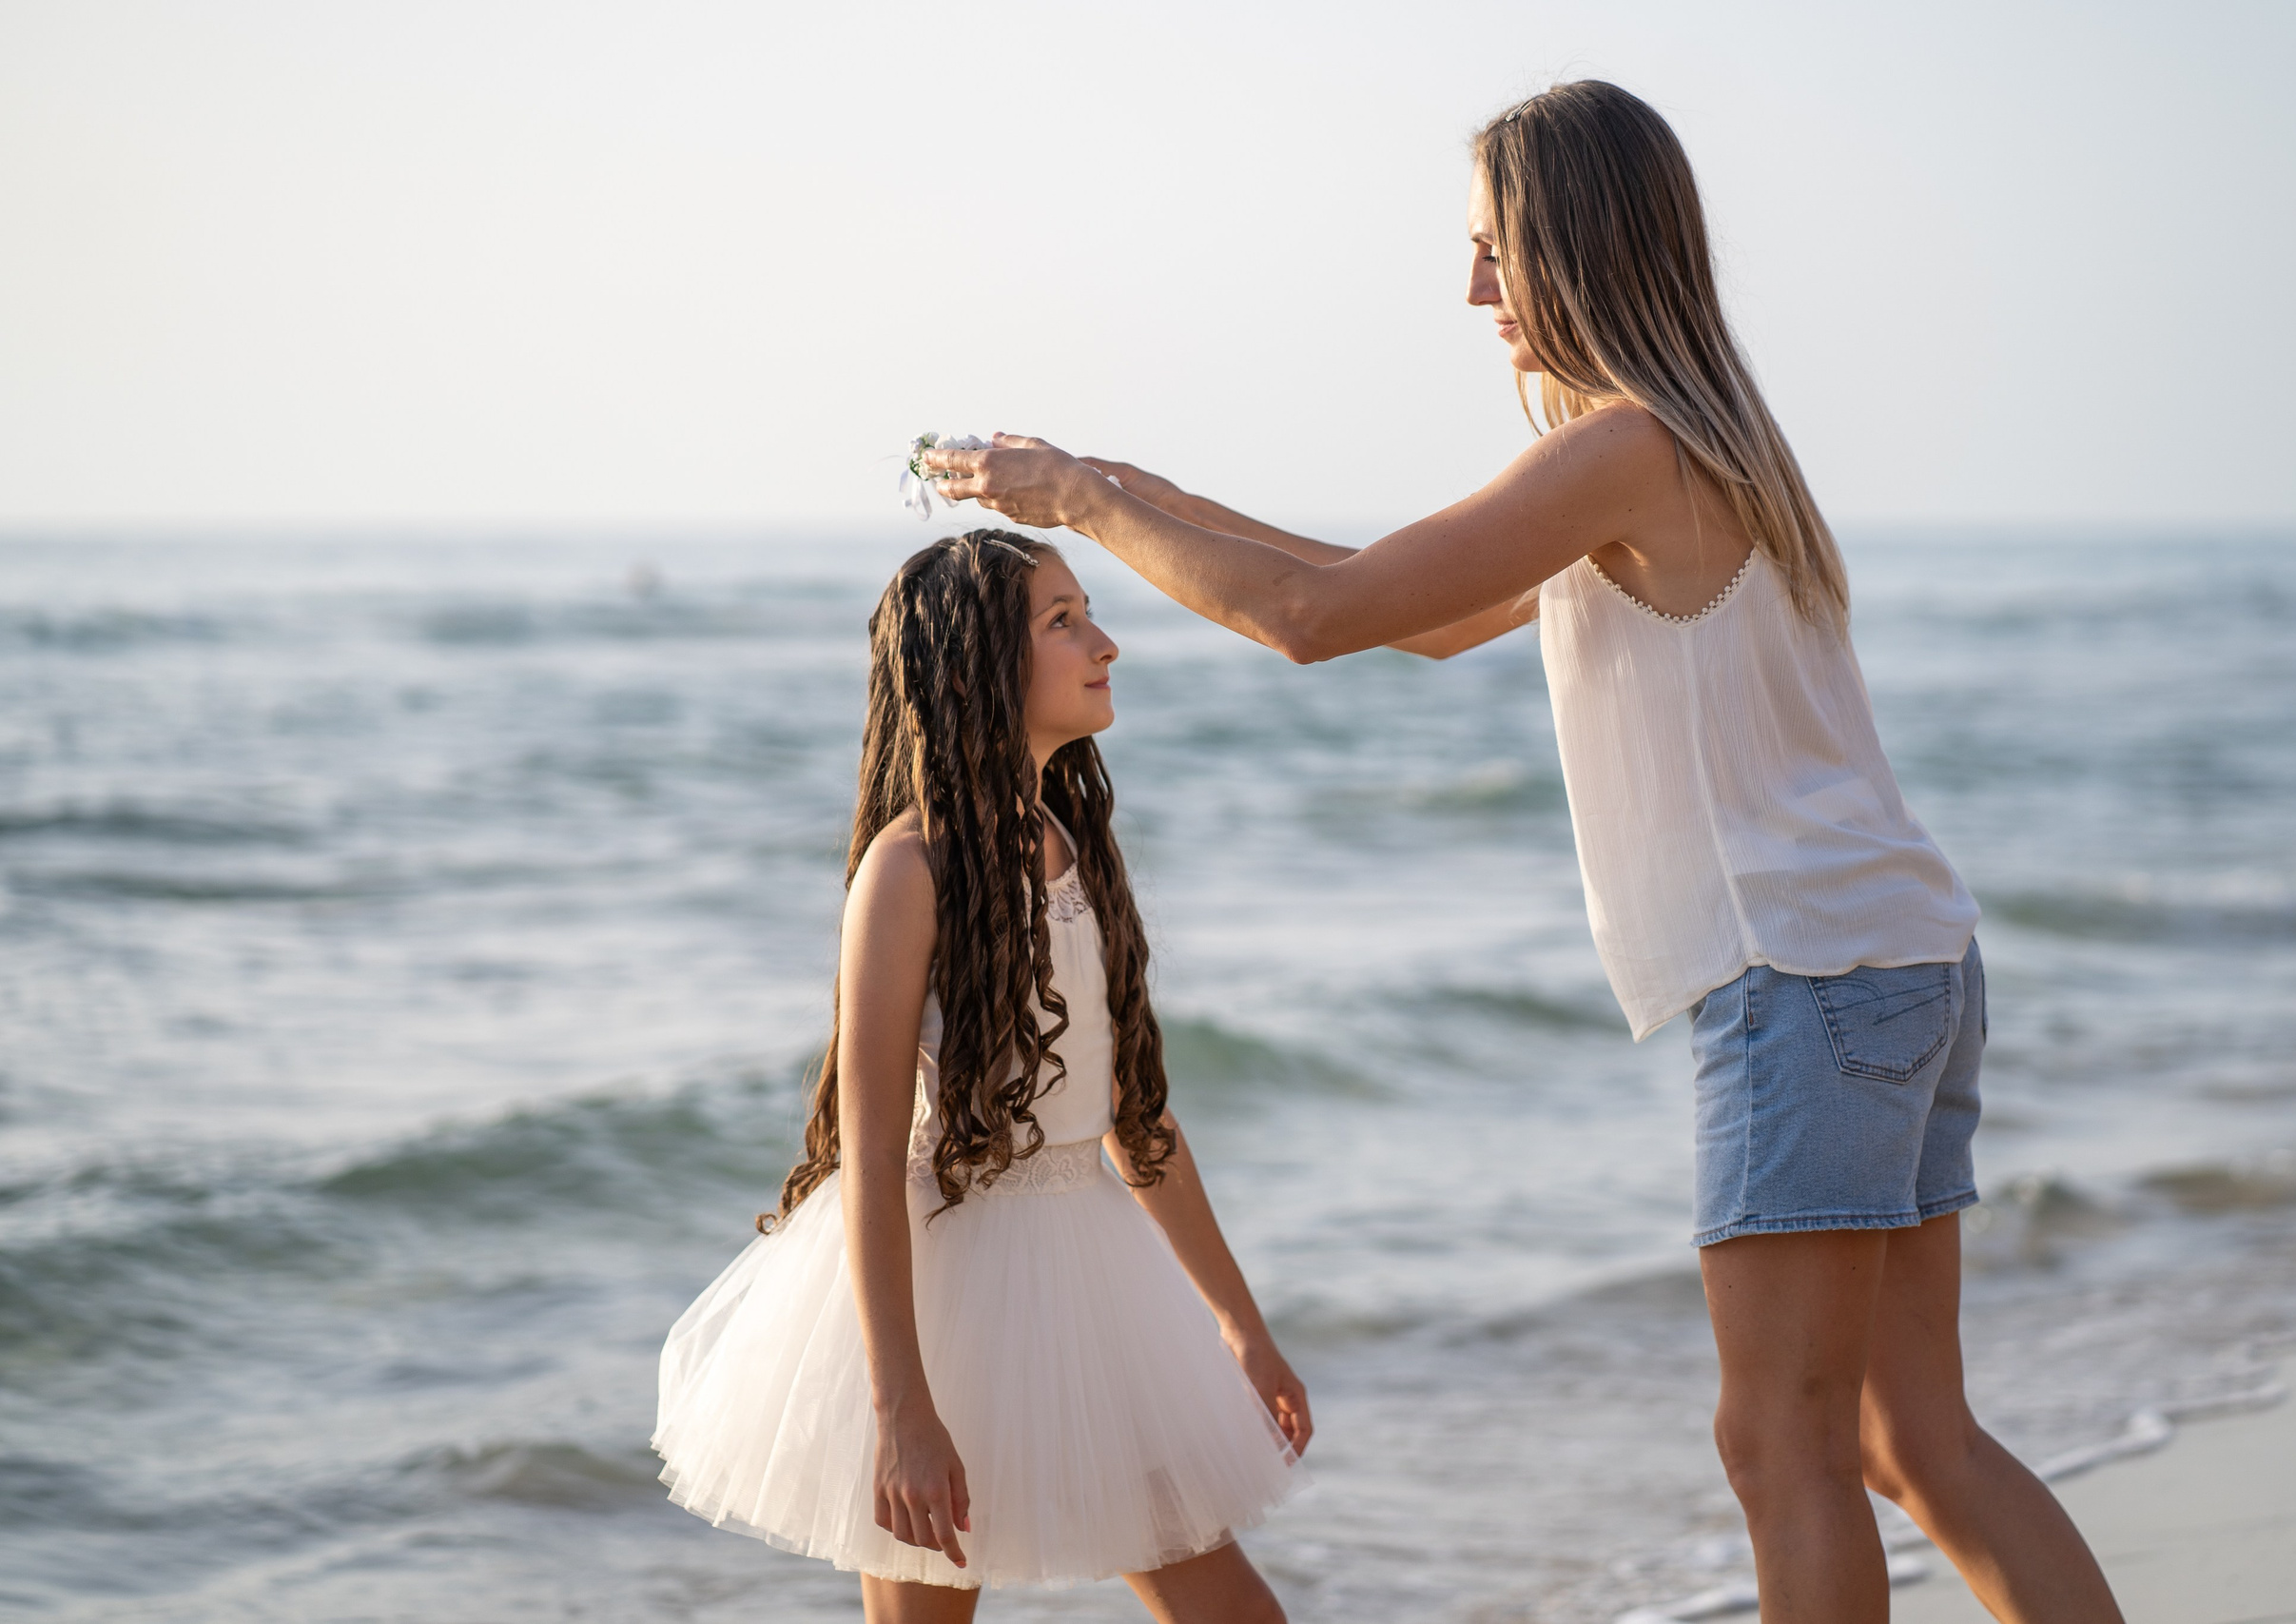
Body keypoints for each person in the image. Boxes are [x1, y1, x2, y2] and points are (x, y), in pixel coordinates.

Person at [920, 80, 2121, 1624]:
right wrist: (1116, 484)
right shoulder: (1695, 439)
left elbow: (1314, 622)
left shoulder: (1624, 449)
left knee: (1782, 1446)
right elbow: (1395, 605)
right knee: (1908, 1435)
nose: (1473, 290)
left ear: (1576, 244)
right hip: (1899, 957)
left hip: (1804, 976)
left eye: (1495, 249)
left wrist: (1080, 501)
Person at [652, 531, 1309, 1624]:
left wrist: (1241, 1326)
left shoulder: (1071, 837)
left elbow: (1133, 1119)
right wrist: (900, 1405)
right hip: (938, 1295)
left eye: (1086, 612)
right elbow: (866, 1156)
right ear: (974, 666)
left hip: (1091, 1285)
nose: (1105, 643)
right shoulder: (906, 873)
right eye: (1063, 621)